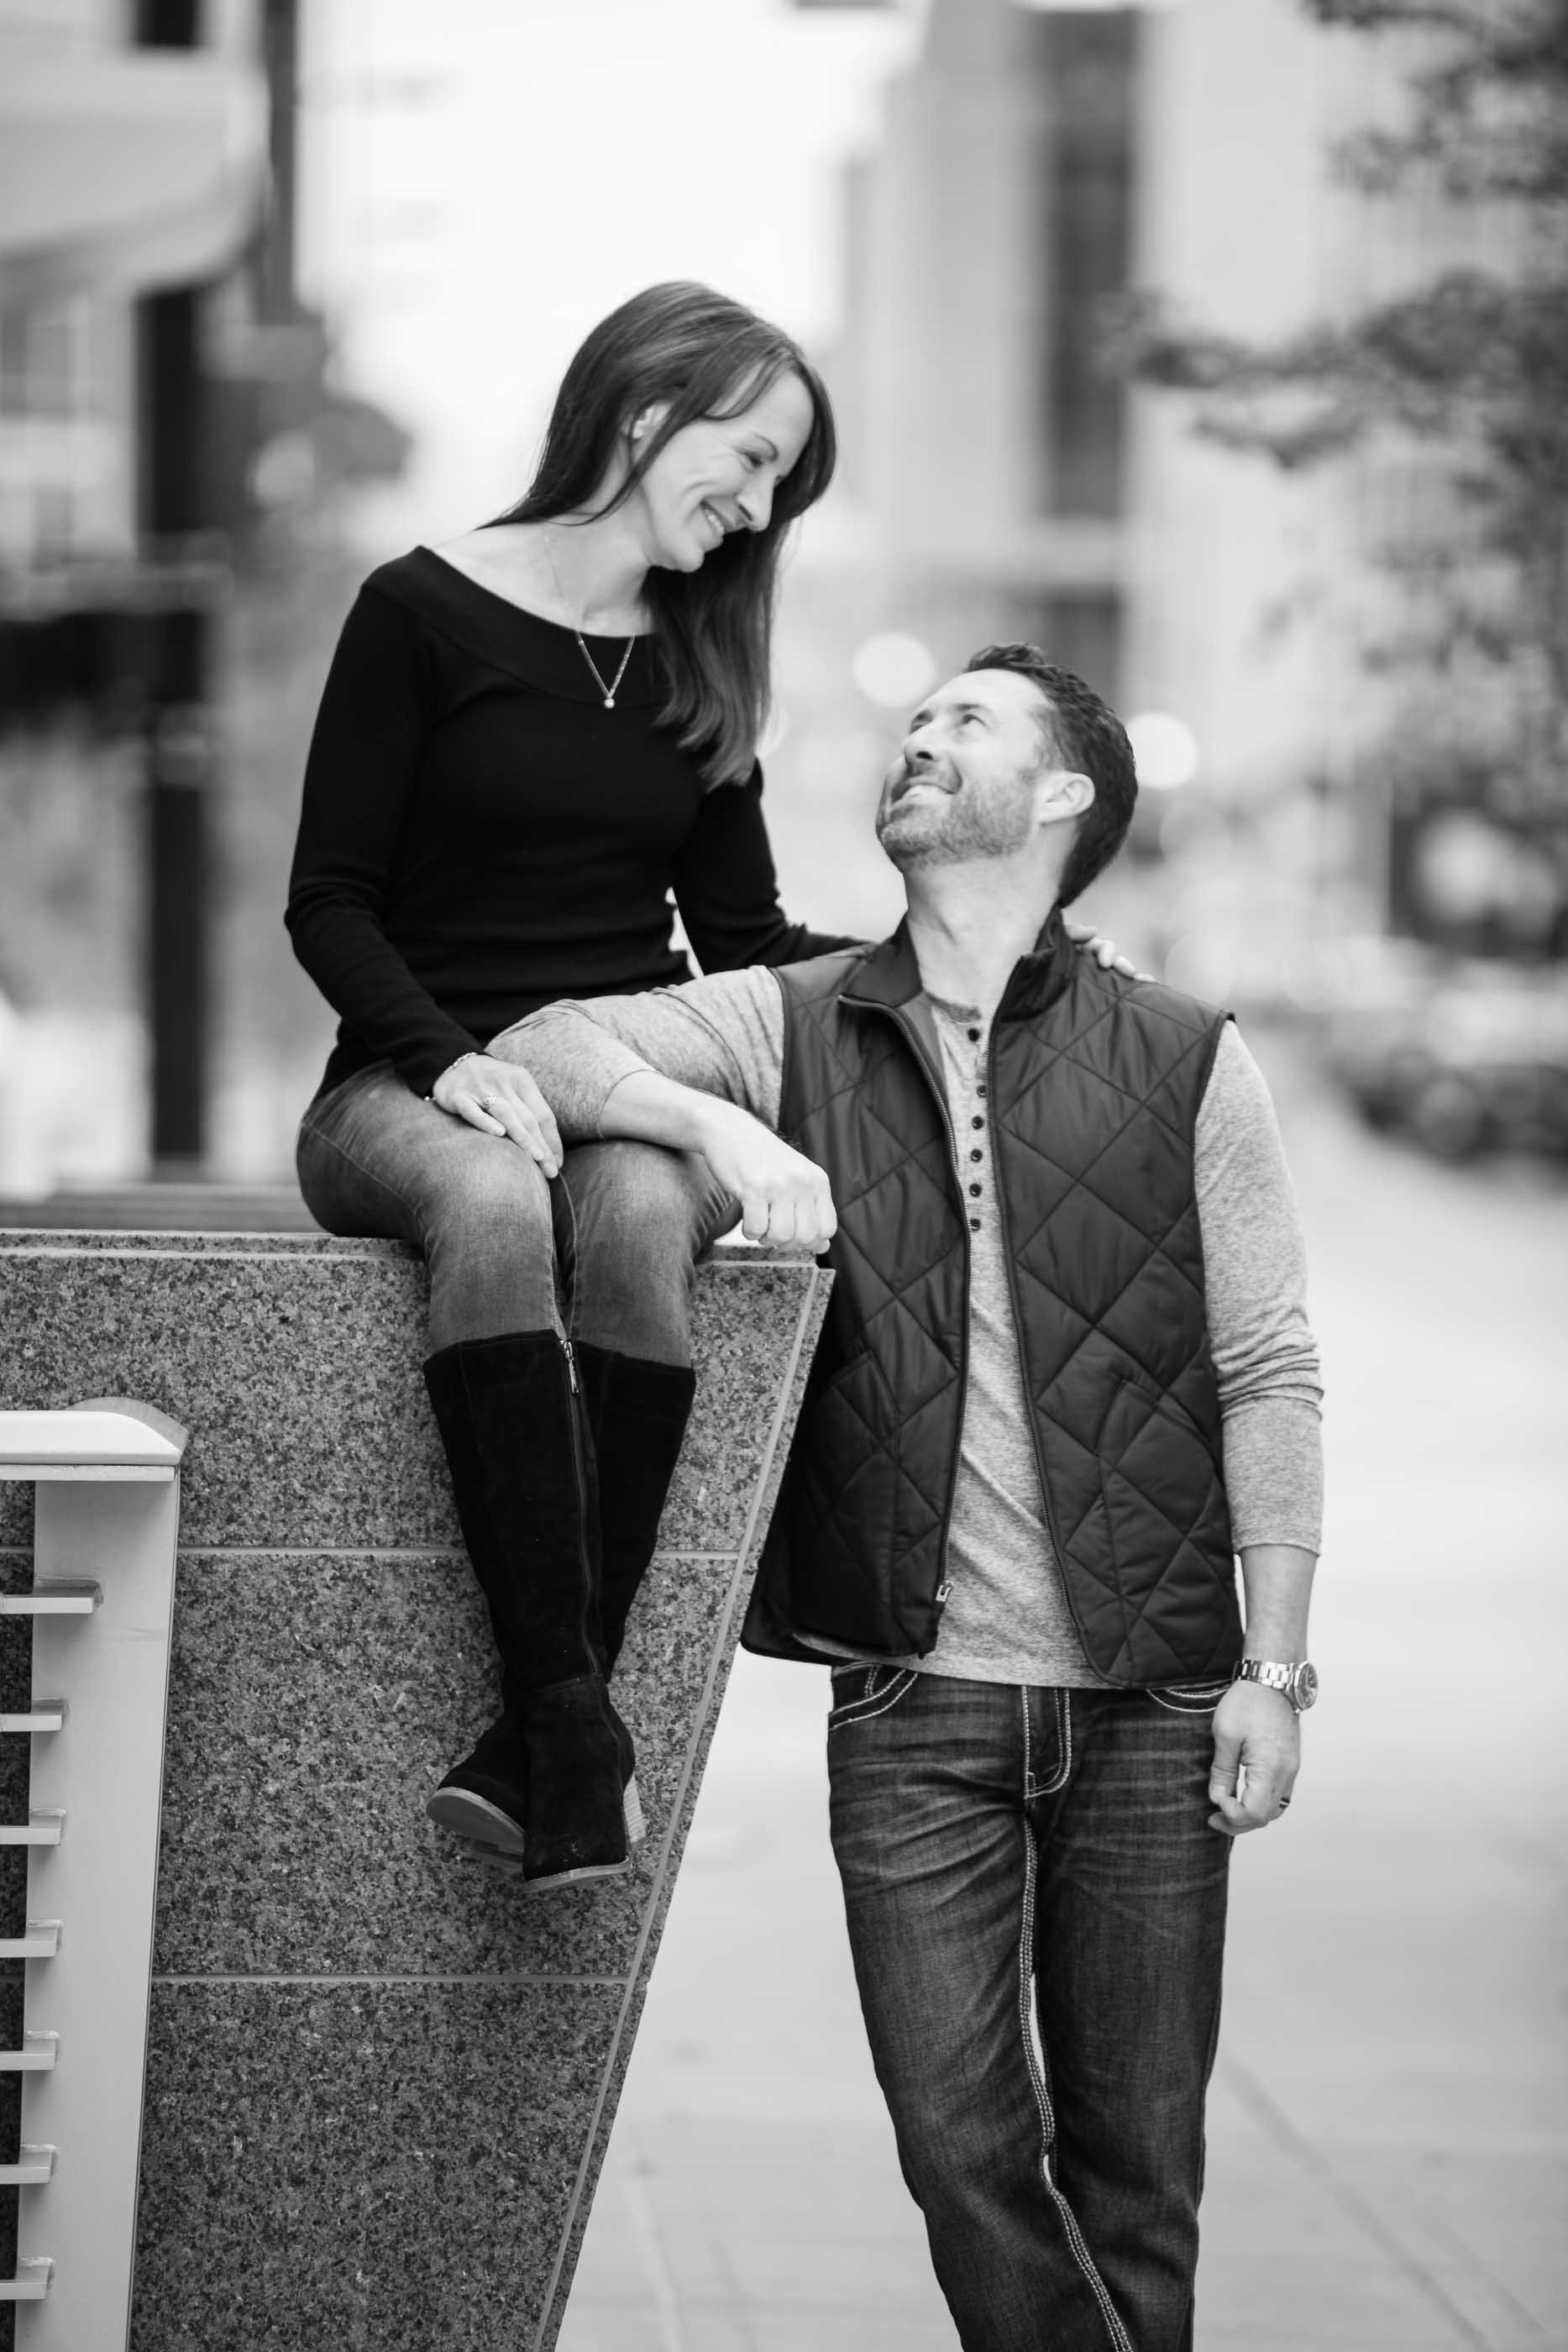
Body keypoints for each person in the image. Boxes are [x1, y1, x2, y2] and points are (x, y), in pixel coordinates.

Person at [494, 644, 1324, 2351]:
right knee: (960, 2148)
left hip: (1156, 1700)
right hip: (914, 1697)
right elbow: (546, 1044)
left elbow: (1268, 1370)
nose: (919, 739)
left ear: (1068, 792)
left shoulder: (1181, 1057)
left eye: (967, 722)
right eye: (914, 721)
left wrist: (1278, 1666)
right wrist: (712, 1133)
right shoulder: (788, 1020)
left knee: (1136, 2169)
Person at [286, 276, 1127, 1897]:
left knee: (643, 1208)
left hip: (620, 1089)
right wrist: (452, 1062)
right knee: (487, 1197)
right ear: (644, 410)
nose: (752, 507)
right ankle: (572, 1722)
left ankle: (551, 1745)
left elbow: (742, 939)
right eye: (746, 462)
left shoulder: (697, 666)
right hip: (402, 1085)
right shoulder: (419, 609)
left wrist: (975, 947)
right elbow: (330, 898)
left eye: (777, 490)